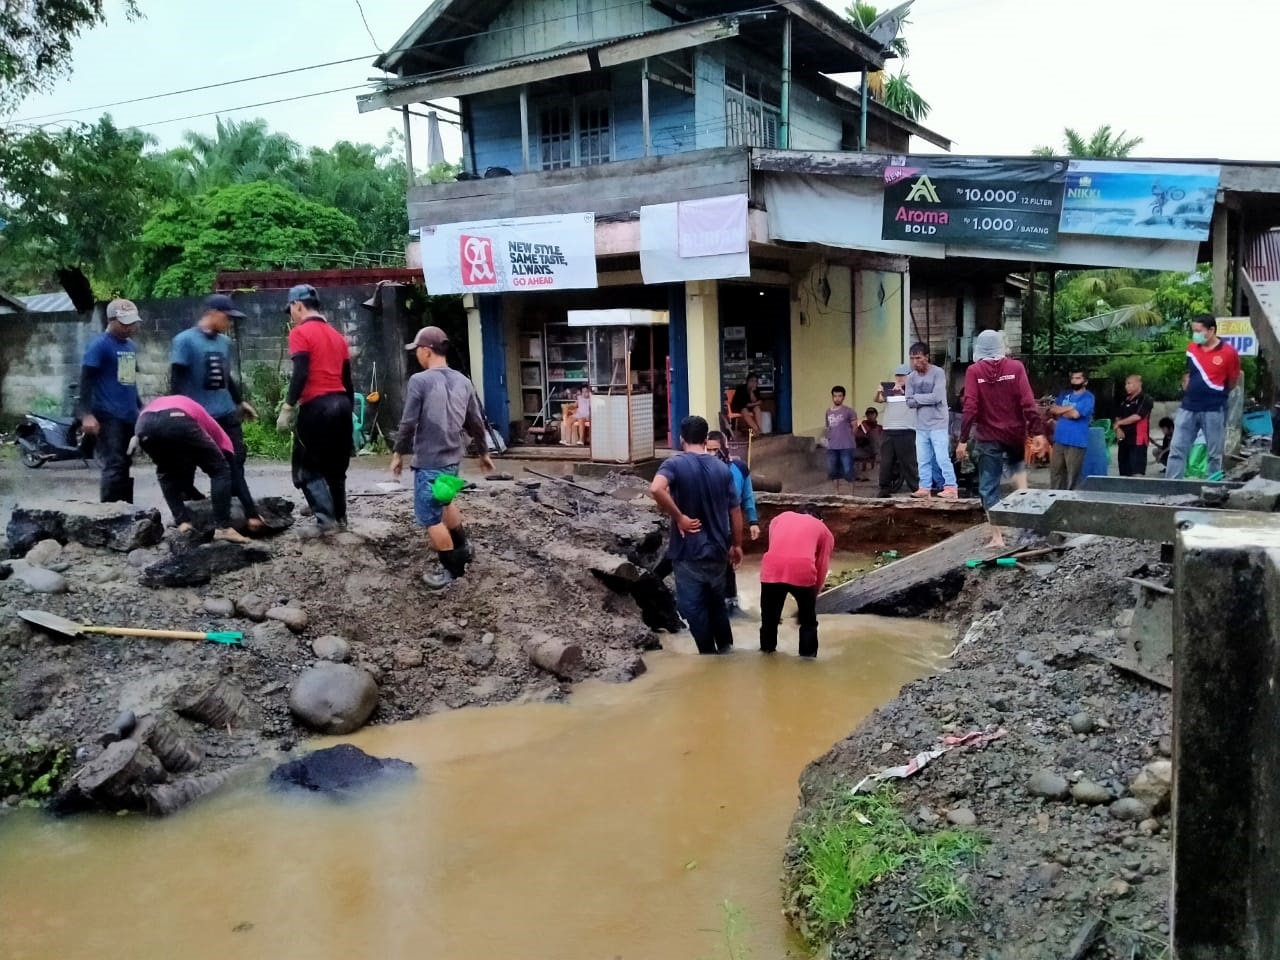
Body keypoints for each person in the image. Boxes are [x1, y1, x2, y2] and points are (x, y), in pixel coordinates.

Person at [392, 326, 495, 589]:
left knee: (431, 518)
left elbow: (408, 422)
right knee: (445, 501)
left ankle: (452, 570)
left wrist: (398, 453)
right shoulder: (463, 380)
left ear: (426, 351)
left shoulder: (420, 381)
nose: (416, 355)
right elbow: (475, 422)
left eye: (417, 350)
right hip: (452, 460)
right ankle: (463, 546)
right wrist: (483, 452)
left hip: (429, 462)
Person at [170, 294, 264, 533]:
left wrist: (240, 401)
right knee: (188, 465)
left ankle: (241, 512)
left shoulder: (224, 343)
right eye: (228, 318)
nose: (230, 323)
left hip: (225, 413)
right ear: (213, 313)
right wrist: (180, 410)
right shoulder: (184, 341)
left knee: (234, 461)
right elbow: (177, 381)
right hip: (198, 416)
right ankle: (186, 516)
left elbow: (226, 376)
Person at [650, 416, 743, 655]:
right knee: (716, 605)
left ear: (682, 439)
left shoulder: (675, 464)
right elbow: (735, 510)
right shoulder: (723, 469)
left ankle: (708, 655)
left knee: (691, 607)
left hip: (689, 552)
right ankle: (726, 649)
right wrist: (737, 545)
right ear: (705, 439)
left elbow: (656, 488)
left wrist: (679, 517)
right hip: (718, 551)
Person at [956, 329, 1046, 548]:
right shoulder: (1016, 367)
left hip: (988, 437)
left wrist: (963, 439)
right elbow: (1028, 402)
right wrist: (1038, 432)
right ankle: (1028, 528)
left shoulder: (974, 371)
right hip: (1014, 433)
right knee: (1020, 479)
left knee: (989, 487)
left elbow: (970, 407)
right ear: (1000, 346)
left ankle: (997, 537)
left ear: (978, 348)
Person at [276, 284, 354, 534]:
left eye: (291, 310)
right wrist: (347, 412)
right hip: (341, 404)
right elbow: (348, 381)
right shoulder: (338, 336)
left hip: (317, 407)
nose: (291, 315)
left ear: (298, 306)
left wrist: (288, 406)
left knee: (305, 468)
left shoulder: (300, 333)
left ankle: (325, 520)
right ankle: (340, 518)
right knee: (335, 466)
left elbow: (301, 373)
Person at [133, 396, 251, 544]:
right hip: (178, 419)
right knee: (220, 469)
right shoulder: (220, 435)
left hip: (144, 424)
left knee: (166, 473)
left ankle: (183, 523)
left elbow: (187, 461)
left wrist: (195, 495)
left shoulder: (193, 414)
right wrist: (250, 510)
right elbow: (231, 469)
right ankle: (223, 528)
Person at [78, 299, 143, 503]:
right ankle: (108, 515)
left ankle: (127, 511)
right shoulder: (99, 345)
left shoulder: (130, 346)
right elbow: (86, 379)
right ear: (111, 320)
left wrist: (140, 408)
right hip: (107, 414)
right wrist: (86, 414)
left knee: (125, 462)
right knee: (114, 463)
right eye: (125, 323)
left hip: (128, 414)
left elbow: (129, 381)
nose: (130, 327)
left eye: (133, 322)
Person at [1167, 314, 1241, 480]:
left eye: (1198, 331)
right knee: (1177, 449)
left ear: (1211, 330)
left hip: (1214, 409)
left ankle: (1212, 489)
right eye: (1194, 331)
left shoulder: (1229, 353)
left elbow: (1232, 381)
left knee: (1214, 454)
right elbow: (1189, 372)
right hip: (1188, 407)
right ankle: (1171, 486)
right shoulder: (1192, 348)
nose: (1195, 334)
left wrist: (1217, 394)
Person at [758, 507, 834, 658]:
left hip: (771, 569)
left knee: (769, 620)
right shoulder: (823, 530)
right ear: (820, 519)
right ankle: (807, 663)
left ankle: (766, 656)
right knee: (808, 623)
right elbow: (822, 566)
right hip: (802, 570)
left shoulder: (779, 518)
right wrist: (813, 596)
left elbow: (775, 546)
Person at [706, 430, 760, 617]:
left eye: (716, 450)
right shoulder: (701, 470)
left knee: (728, 566)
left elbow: (747, 496)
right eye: (709, 450)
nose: (712, 454)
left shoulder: (739, 468)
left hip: (729, 525)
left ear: (724, 448)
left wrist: (753, 521)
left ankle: (732, 605)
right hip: (707, 525)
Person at [906, 342, 958, 499]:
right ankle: (924, 487)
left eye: (918, 358)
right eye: (912, 358)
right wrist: (921, 399)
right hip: (921, 425)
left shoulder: (938, 373)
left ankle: (951, 487)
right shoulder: (911, 378)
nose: (915, 361)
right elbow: (908, 401)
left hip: (938, 423)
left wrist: (917, 398)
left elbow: (937, 397)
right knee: (922, 459)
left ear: (927, 357)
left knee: (942, 457)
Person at [875, 364, 919, 497]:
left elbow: (917, 402)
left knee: (908, 462)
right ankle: (884, 488)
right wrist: (878, 391)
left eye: (903, 375)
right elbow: (878, 400)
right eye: (898, 375)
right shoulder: (890, 389)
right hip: (888, 430)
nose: (900, 378)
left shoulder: (915, 389)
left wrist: (903, 392)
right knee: (886, 461)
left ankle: (916, 488)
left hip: (906, 430)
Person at [1048, 370, 1095, 490]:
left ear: (1085, 381)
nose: (1074, 381)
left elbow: (1075, 415)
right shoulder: (1065, 394)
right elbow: (1052, 409)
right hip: (1059, 439)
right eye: (1073, 378)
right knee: (1056, 473)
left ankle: (1071, 501)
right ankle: (1055, 499)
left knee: (1073, 476)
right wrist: (1070, 407)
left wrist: (1061, 410)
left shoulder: (1088, 397)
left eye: (1078, 378)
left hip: (1076, 441)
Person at [1114, 374, 1155, 477]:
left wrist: (1119, 423)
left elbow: (1137, 416)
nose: (1126, 386)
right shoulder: (1124, 400)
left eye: (1129, 383)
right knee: (1124, 471)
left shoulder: (1145, 399)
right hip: (1123, 440)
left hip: (1138, 440)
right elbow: (1118, 416)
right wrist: (1118, 428)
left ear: (1139, 384)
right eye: (1126, 384)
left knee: (1137, 472)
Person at [824, 385, 857, 493]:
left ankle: (851, 494)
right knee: (833, 471)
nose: (837, 398)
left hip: (846, 446)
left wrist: (849, 438)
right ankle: (836, 493)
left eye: (840, 396)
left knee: (848, 470)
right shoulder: (828, 412)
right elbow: (828, 427)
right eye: (835, 396)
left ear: (843, 397)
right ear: (832, 397)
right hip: (832, 446)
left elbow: (855, 427)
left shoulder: (849, 411)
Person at [855, 407, 882, 479]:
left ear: (876, 415)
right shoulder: (863, 425)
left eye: (872, 414)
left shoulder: (879, 427)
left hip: (874, 449)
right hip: (863, 449)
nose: (870, 416)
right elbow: (857, 436)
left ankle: (878, 455)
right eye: (868, 415)